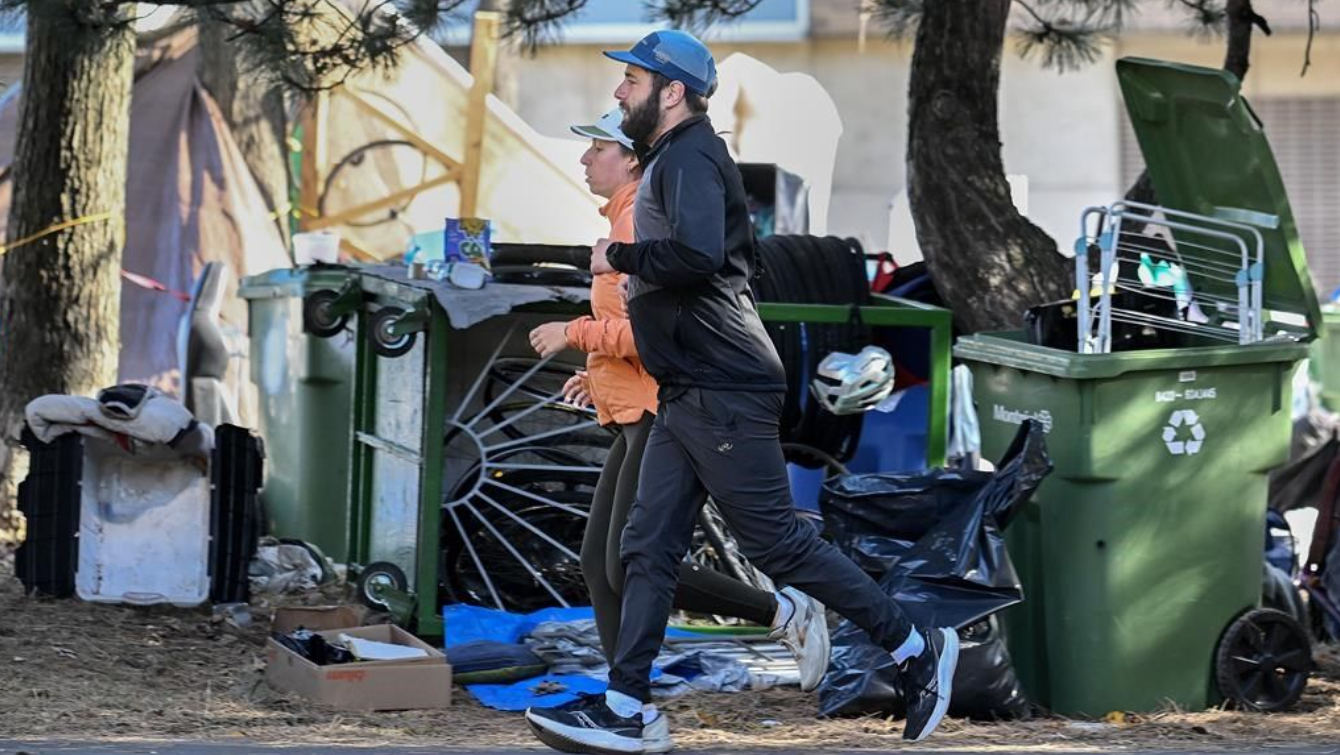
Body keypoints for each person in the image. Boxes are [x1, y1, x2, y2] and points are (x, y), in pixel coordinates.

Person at [525, 30, 960, 755]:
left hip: (724, 384)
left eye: (630, 80)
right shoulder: (675, 158)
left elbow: (697, 258)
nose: (618, 92)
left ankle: (917, 646)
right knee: (646, 545)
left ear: (671, 91)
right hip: (688, 383)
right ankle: (628, 707)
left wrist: (620, 255)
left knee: (777, 542)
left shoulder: (693, 155)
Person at [526, 109, 831, 755]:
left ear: (632, 159)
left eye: (598, 147)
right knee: (600, 561)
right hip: (635, 406)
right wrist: (598, 372)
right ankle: (623, 703)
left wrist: (575, 335)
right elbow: (631, 332)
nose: (585, 159)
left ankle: (782, 612)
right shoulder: (619, 221)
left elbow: (656, 331)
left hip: (668, 409)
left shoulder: (640, 221)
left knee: (634, 558)